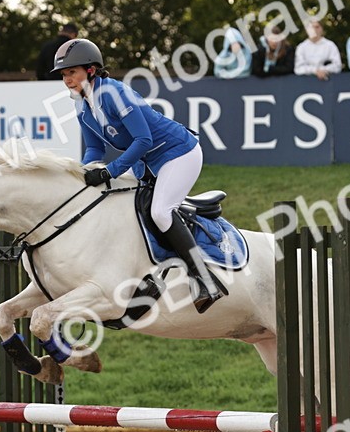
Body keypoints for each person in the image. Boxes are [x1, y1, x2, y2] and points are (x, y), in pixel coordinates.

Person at [50, 38, 227, 313]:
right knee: (124, 209)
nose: (67, 79)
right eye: (64, 75)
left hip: (179, 153)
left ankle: (204, 279)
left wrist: (110, 171)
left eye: (72, 72)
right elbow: (95, 148)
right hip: (147, 162)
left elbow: (143, 140)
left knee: (160, 212)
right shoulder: (81, 106)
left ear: (91, 70)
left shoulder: (113, 93)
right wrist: (81, 177)